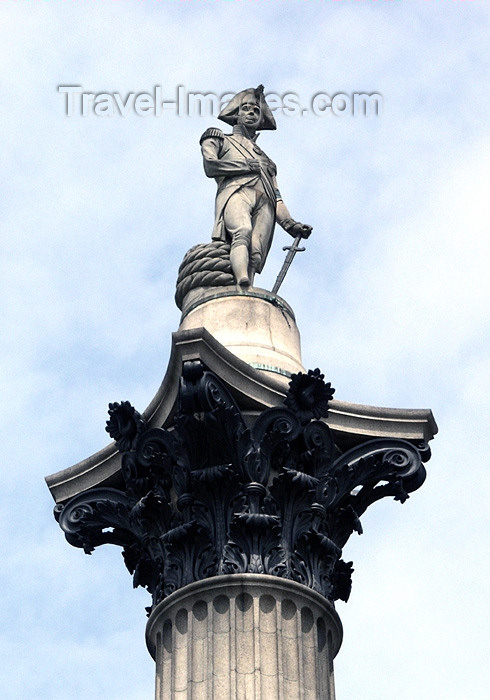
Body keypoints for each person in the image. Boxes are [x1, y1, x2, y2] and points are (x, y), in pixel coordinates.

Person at [200, 85, 312, 288]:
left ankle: (247, 286)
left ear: (261, 120)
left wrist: (290, 224)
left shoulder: (268, 162)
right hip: (236, 190)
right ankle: (241, 279)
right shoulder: (219, 138)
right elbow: (211, 166)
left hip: (265, 202)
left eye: (256, 111)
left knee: (256, 250)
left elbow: (277, 197)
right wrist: (245, 165)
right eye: (246, 109)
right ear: (236, 114)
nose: (251, 113)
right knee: (242, 230)